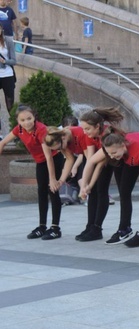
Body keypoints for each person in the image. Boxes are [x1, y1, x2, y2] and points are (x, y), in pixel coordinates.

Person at [0, 105, 64, 239]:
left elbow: (49, 157)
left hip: (53, 159)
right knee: (41, 192)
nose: (26, 122)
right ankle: (42, 226)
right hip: (40, 162)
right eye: (22, 120)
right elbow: (3, 142)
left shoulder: (41, 130)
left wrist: (52, 179)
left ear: (34, 117)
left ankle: (55, 228)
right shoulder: (19, 130)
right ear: (18, 121)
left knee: (52, 191)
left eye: (29, 118)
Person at [78, 107, 131, 244]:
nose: (85, 132)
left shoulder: (108, 135)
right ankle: (90, 226)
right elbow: (91, 161)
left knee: (109, 191)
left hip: (120, 160)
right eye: (83, 129)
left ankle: (103, 228)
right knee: (93, 191)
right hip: (105, 158)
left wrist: (89, 185)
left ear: (97, 126)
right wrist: (85, 186)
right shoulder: (90, 135)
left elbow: (101, 164)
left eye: (87, 129)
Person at [0, 28, 16, 113]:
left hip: (7, 74)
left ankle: (13, 124)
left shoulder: (8, 41)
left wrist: (4, 61)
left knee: (10, 105)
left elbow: (14, 61)